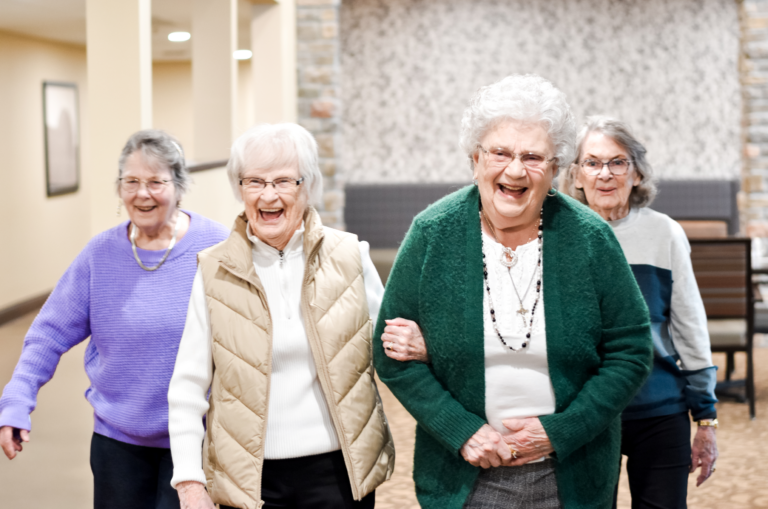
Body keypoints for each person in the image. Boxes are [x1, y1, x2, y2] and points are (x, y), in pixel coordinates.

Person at [372, 74, 653, 509]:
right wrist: (461, 430)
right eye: (500, 153)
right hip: (465, 474)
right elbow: (390, 355)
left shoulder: (591, 239)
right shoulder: (433, 232)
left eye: (533, 156)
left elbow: (630, 351)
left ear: (556, 168)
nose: (516, 170)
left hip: (573, 473)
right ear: (475, 159)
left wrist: (561, 432)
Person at [167, 123, 395, 509]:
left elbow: (391, 351)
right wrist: (189, 482)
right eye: (254, 181)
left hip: (337, 474)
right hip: (252, 483)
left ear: (307, 187)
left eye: (283, 181)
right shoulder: (214, 271)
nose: (268, 195)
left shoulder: (350, 256)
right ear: (240, 189)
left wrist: (417, 344)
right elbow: (188, 387)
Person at [0, 130, 229, 509]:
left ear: (180, 186)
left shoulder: (215, 248)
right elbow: (49, 333)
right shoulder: (100, 254)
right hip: (117, 443)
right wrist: (17, 399)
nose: (143, 194)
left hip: (198, 440)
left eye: (156, 182)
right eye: (132, 182)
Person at [558, 115, 718, 508]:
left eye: (618, 162)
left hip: (659, 407)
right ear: (576, 175)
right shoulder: (558, 236)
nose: (605, 174)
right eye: (592, 163)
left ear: (636, 174)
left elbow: (689, 325)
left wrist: (706, 418)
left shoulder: (664, 233)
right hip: (584, 412)